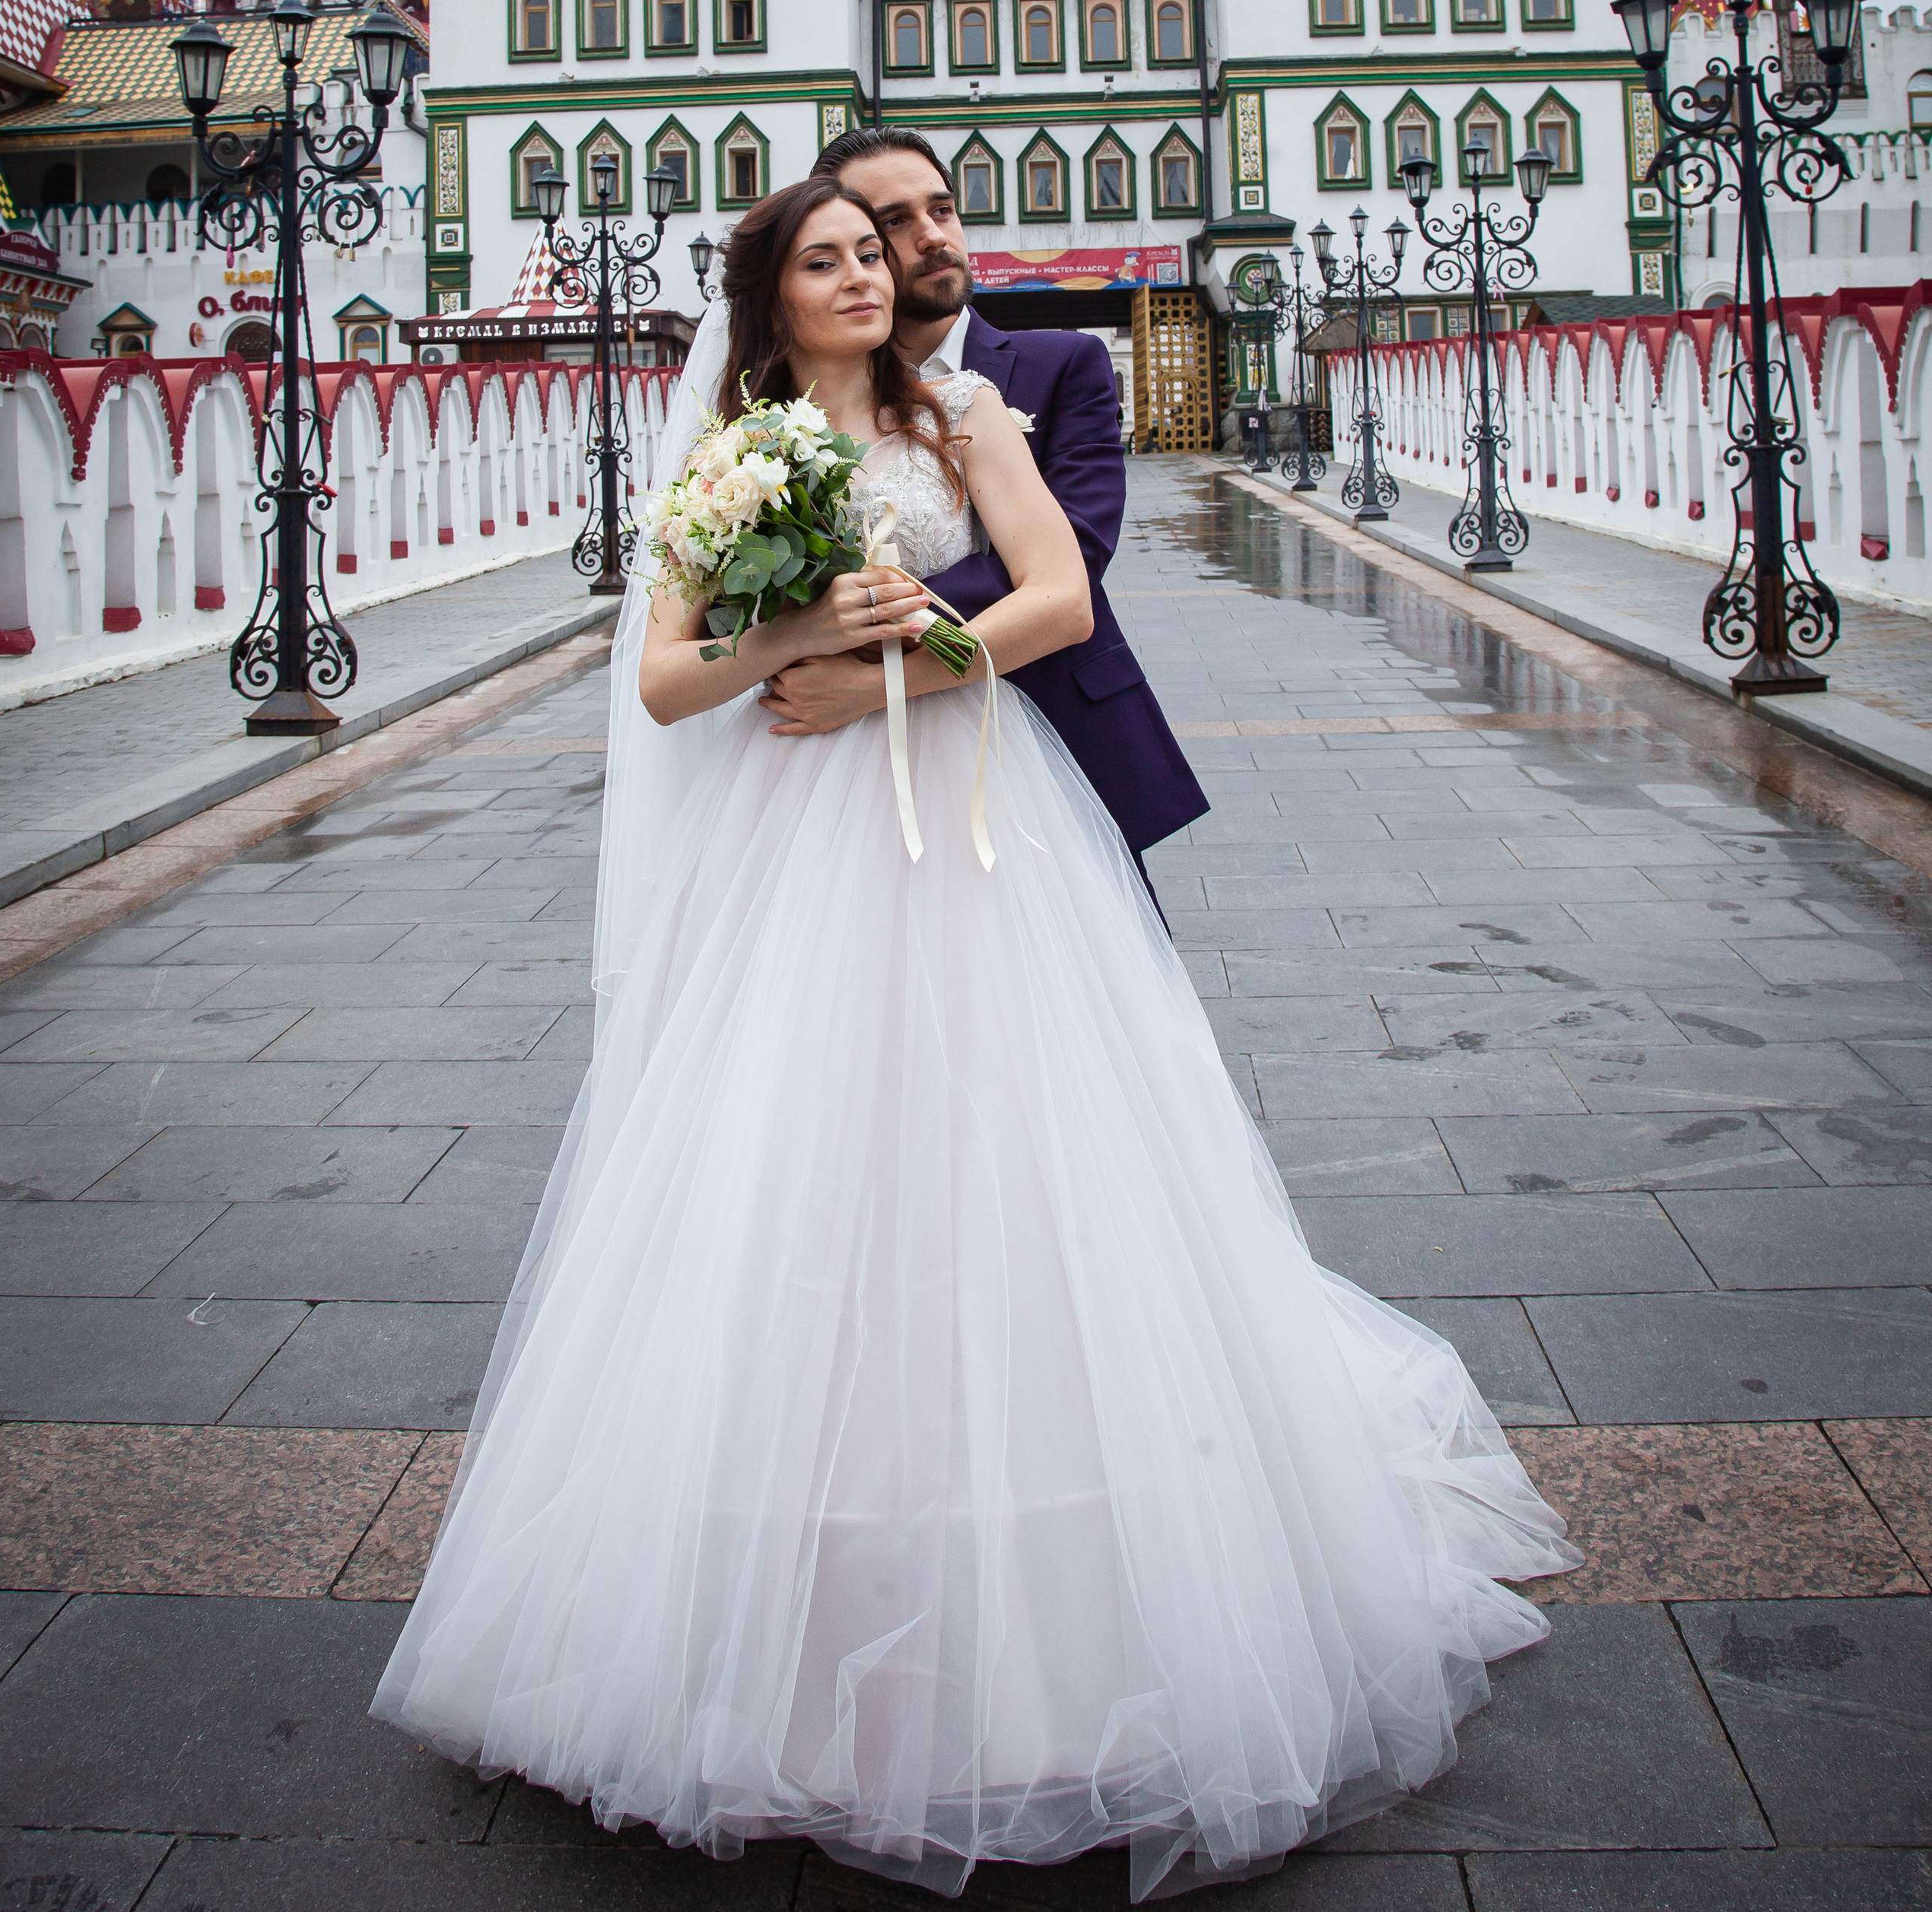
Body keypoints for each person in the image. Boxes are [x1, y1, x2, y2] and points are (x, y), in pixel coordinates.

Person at [373, 176, 1575, 1898]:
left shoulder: (972, 417)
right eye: (827, 257)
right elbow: (661, 677)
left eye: (874, 252)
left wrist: (901, 665)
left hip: (976, 822)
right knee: (799, 1181)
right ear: (769, 296)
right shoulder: (735, 459)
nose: (864, 273)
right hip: (793, 851)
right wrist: (797, 632)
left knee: (1017, 1160)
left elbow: (1056, 599)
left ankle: (1064, 1610)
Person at [765, 123, 1206, 864]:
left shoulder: (1062, 364)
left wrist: (860, 646)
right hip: (852, 760)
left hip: (1050, 719)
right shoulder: (787, 425)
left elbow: (1075, 556)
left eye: (942, 209)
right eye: (895, 223)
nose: (934, 236)